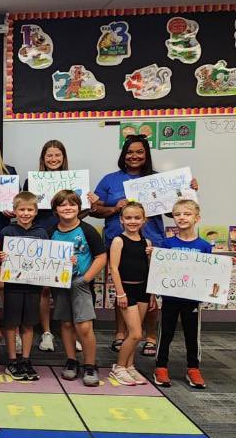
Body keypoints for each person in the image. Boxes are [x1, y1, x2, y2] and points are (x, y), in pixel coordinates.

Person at [90, 136, 198, 355]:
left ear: (146, 154)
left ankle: (150, 336)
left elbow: (172, 211)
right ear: (124, 155)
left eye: (139, 152)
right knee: (121, 290)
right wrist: (114, 208)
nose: (134, 156)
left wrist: (189, 191)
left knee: (151, 291)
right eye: (130, 152)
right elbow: (95, 209)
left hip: (152, 242)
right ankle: (121, 334)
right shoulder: (110, 180)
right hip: (118, 243)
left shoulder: (160, 180)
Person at [49, 190, 107, 387]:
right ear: (55, 209)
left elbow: (101, 257)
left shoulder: (87, 230)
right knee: (66, 323)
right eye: (63, 205)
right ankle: (71, 360)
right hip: (59, 284)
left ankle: (90, 364)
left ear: (79, 207)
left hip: (80, 283)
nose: (68, 208)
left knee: (84, 325)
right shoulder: (51, 231)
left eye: (72, 204)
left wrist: (86, 278)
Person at [154, 199, 211, 389]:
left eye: (187, 214)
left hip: (192, 300)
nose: (182, 217)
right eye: (177, 214)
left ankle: (193, 368)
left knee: (192, 334)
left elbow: (207, 272)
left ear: (197, 218)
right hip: (170, 298)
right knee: (166, 333)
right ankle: (161, 366)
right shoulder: (166, 243)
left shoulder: (204, 246)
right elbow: (160, 270)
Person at [23, 139, 70, 351]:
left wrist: (88, 201)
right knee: (43, 288)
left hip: (65, 234)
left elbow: (82, 211)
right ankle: (46, 332)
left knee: (65, 284)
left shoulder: (72, 181)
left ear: (63, 158)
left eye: (57, 155)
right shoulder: (31, 181)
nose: (53, 159)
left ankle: (69, 330)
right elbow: (26, 208)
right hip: (41, 235)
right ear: (43, 158)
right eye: (49, 155)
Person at [0, 191, 48, 381]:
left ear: (36, 211)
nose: (25, 213)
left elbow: (48, 259)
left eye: (29, 209)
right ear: (14, 210)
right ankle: (11, 360)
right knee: (10, 323)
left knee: (28, 323)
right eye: (21, 209)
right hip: (12, 286)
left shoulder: (42, 233)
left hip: (33, 286)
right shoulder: (7, 232)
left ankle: (25, 359)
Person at [108, 202, 154, 386]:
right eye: (128, 218)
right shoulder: (119, 241)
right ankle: (118, 367)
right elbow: (114, 267)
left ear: (144, 220)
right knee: (135, 334)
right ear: (121, 220)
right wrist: (120, 293)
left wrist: (150, 294)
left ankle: (130, 365)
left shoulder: (147, 242)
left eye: (137, 218)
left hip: (142, 290)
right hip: (126, 290)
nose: (132, 221)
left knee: (135, 332)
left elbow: (149, 269)